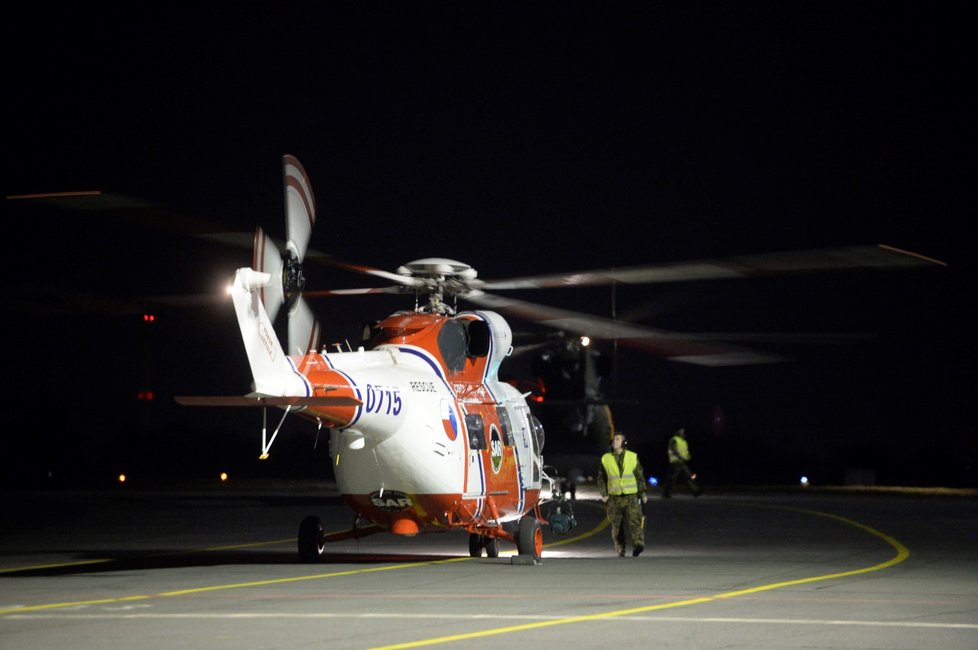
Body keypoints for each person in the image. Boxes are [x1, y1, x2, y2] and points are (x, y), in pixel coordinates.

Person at [597, 432, 648, 557]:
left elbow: (639, 476)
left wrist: (643, 493)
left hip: (631, 496)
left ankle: (638, 545)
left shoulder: (632, 457)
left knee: (635, 522)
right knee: (616, 526)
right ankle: (620, 549)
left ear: (624, 443)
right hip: (614, 498)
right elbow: (601, 478)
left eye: (618, 439)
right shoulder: (605, 458)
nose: (614, 441)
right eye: (614, 439)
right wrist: (604, 493)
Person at [661, 426, 700, 498]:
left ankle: (696, 491)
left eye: (683, 431)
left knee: (687, 476)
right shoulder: (674, 440)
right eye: (681, 431)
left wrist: (687, 457)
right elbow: (674, 449)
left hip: (681, 462)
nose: (682, 432)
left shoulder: (683, 441)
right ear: (677, 432)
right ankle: (665, 493)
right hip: (675, 462)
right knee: (673, 478)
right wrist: (681, 456)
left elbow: (684, 451)